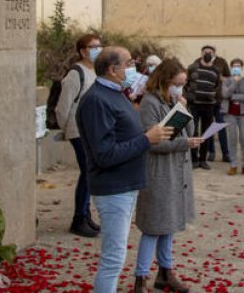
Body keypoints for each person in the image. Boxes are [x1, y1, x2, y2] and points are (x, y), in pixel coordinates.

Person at [75, 46, 172, 293]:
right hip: (113, 188)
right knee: (113, 260)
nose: (134, 68)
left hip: (125, 185)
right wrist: (146, 139)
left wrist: (148, 135)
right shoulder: (96, 100)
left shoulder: (117, 93)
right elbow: (104, 154)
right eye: (129, 63)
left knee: (116, 258)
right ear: (112, 69)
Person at [133, 59, 201, 293]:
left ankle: (165, 272)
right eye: (177, 84)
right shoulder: (150, 103)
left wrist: (183, 108)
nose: (179, 89)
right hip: (158, 172)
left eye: (182, 85)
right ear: (165, 80)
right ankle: (141, 277)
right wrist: (185, 143)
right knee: (153, 226)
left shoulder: (173, 100)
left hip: (176, 171)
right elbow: (152, 142)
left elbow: (189, 130)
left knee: (169, 224)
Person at [54, 33, 101, 238]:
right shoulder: (76, 73)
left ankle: (85, 213)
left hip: (92, 128)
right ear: (82, 51)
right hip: (78, 128)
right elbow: (62, 107)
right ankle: (79, 217)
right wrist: (67, 129)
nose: (97, 50)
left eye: (99, 46)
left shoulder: (96, 71)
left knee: (90, 172)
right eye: (92, 47)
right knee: (88, 170)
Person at [186, 46, 222, 170]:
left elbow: (217, 86)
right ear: (201, 54)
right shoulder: (192, 67)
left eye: (210, 52)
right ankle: (194, 159)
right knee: (193, 131)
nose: (208, 54)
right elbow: (185, 84)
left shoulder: (216, 71)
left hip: (209, 106)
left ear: (214, 55)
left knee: (206, 133)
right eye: (205, 52)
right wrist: (188, 97)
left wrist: (213, 98)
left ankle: (203, 160)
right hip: (194, 105)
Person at [221, 58, 244, 176]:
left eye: (238, 66)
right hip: (230, 114)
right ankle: (233, 164)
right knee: (232, 139)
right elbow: (225, 94)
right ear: (231, 68)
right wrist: (234, 83)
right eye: (234, 66)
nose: (236, 68)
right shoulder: (226, 81)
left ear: (242, 68)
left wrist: (233, 97)